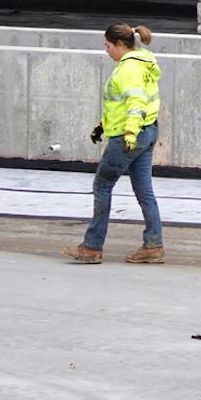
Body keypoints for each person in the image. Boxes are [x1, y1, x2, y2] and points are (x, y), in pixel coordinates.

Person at [64, 23, 165, 265]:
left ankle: (91, 247)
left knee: (102, 187)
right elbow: (121, 104)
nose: (106, 50)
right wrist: (103, 124)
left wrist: (129, 132)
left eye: (108, 46)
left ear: (121, 45)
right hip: (148, 131)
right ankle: (153, 246)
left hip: (129, 136)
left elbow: (136, 102)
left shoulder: (128, 69)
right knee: (145, 192)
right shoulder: (143, 62)